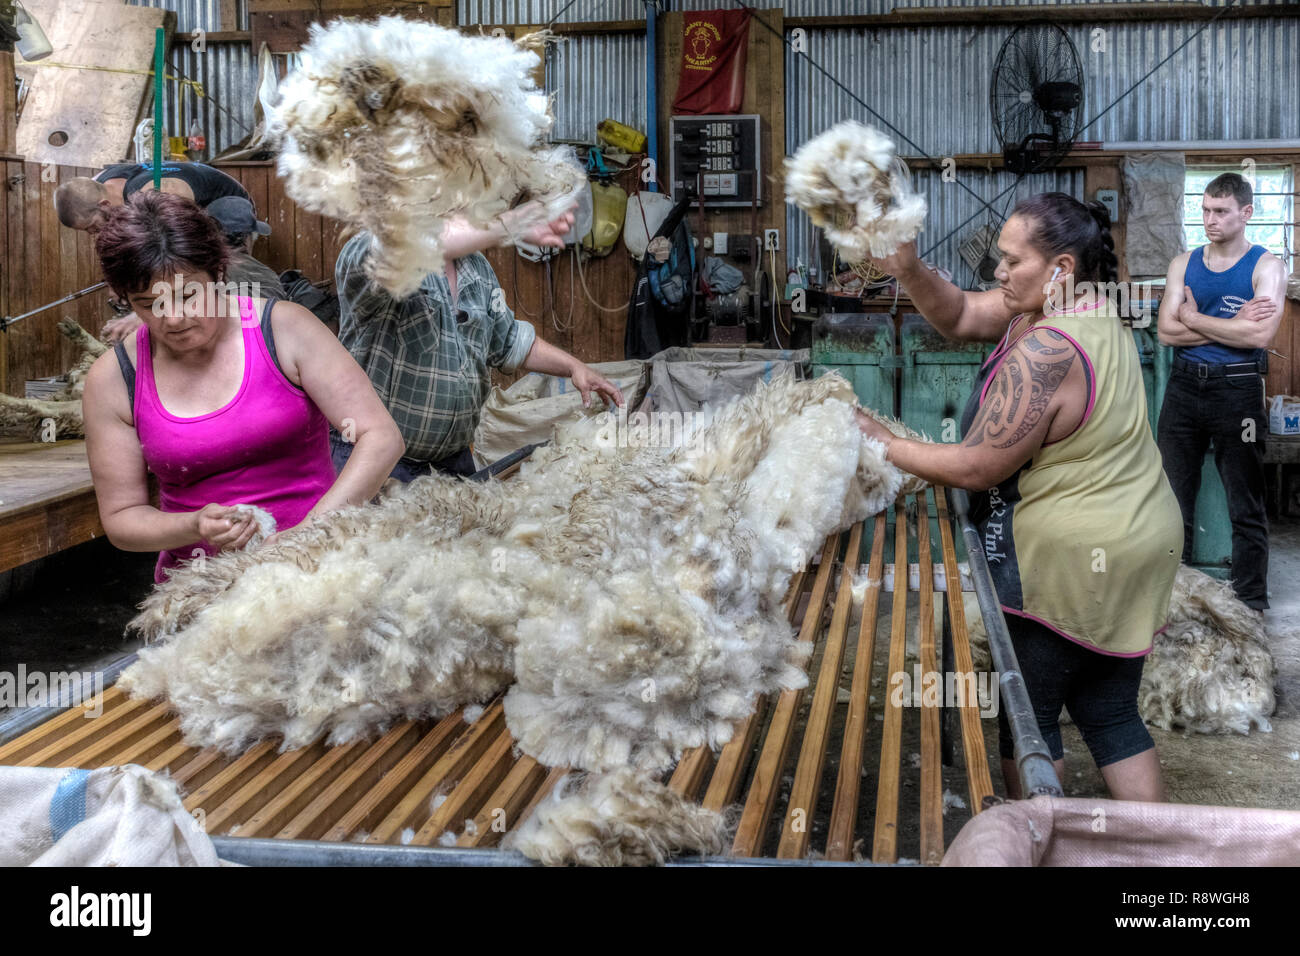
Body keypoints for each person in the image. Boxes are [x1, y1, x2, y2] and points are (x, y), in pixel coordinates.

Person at [856, 193, 1182, 802]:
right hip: (1141, 535)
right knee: (1109, 713)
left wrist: (881, 441)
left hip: (1072, 556)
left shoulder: (1049, 351)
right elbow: (957, 317)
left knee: (1027, 722)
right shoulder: (1078, 309)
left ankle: (1042, 842)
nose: (998, 273)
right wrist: (908, 268)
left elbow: (978, 465)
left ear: (1059, 267)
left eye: (1011, 261)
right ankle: (1158, 857)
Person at [81, 191, 405, 583]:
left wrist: (304, 536)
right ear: (125, 299)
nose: (175, 318)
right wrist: (195, 525)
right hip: (199, 586)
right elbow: (122, 518)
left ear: (218, 275)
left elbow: (380, 436)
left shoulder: (284, 329)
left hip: (319, 569)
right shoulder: (115, 377)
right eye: (149, 303)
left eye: (188, 295)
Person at [332, 205, 626, 479]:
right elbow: (404, 245)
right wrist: (509, 225)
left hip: (450, 463)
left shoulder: (477, 268)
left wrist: (574, 367)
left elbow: (509, 340)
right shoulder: (373, 250)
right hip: (372, 465)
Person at [1156, 172, 1287, 611]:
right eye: (1205, 210)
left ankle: (1250, 604)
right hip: (1184, 389)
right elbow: (1165, 333)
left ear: (1246, 213)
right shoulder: (1183, 263)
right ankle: (1175, 598)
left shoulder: (1267, 266)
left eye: (1220, 212)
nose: (1209, 220)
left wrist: (1194, 319)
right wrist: (1232, 327)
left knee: (1245, 499)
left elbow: (1257, 337)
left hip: (1239, 392)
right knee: (1172, 499)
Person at [54, 162, 251, 235]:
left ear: (104, 205)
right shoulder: (100, 183)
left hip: (232, 209)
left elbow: (182, 237)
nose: (92, 233)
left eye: (91, 226)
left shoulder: (153, 193)